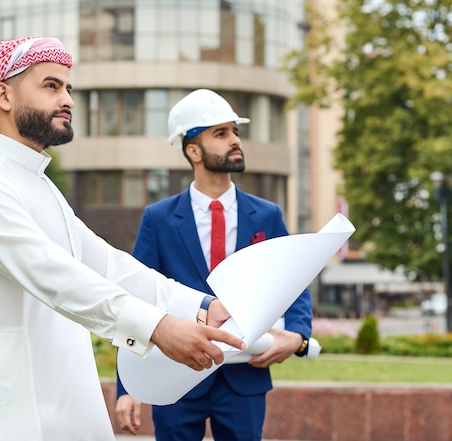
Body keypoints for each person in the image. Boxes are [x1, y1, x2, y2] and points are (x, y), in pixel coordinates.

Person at [0, 38, 245, 441]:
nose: (67, 99)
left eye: (69, 89)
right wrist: (159, 328)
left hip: (74, 404)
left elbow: (106, 265)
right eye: (51, 86)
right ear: (2, 94)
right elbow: (53, 275)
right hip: (13, 415)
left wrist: (199, 306)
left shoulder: (40, 186)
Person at [115, 89, 313, 441]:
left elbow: (294, 281)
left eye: (235, 132)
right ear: (193, 150)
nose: (235, 140)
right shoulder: (158, 219)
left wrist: (298, 334)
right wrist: (126, 386)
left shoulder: (267, 215)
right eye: (221, 134)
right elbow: (137, 297)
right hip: (175, 373)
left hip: (244, 379)